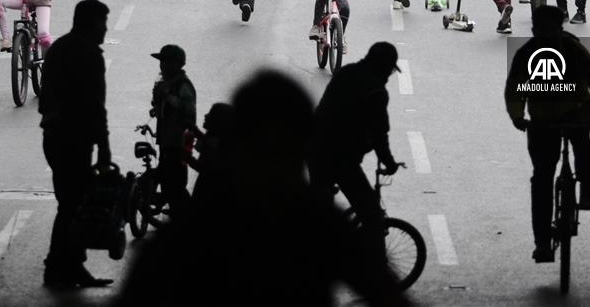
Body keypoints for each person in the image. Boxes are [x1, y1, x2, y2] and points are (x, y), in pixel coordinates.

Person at [114, 70, 409, 307]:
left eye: (284, 154)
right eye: (264, 152)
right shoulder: (320, 229)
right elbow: (383, 293)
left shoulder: (186, 235)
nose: (273, 169)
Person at [504, 5, 590, 263]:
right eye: (541, 31)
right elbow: (514, 88)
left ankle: (586, 184)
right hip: (541, 119)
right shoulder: (526, 55)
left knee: (580, 136)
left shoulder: (574, 50)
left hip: (576, 108)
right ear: (533, 30)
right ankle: (542, 243)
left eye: (551, 31)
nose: (546, 37)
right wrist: (517, 116)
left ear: (559, 30)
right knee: (541, 180)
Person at [38, 0, 113, 287]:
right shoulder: (89, 54)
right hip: (74, 140)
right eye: (104, 23)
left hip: (54, 136)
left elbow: (46, 98)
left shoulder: (59, 47)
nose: (105, 29)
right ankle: (57, 268)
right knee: (71, 206)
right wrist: (104, 150)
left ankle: (70, 265)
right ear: (94, 23)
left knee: (71, 204)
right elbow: (95, 105)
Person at [309, 42, 402, 259]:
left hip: (314, 147)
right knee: (372, 216)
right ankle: (378, 274)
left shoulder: (347, 72)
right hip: (340, 157)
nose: (389, 74)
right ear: (383, 66)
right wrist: (389, 163)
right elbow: (380, 135)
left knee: (320, 209)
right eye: (390, 69)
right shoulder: (376, 91)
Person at [149, 44, 197, 220]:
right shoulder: (167, 83)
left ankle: (186, 212)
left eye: (169, 62)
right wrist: (156, 106)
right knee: (166, 176)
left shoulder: (183, 85)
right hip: (166, 138)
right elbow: (163, 104)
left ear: (179, 64)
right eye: (162, 61)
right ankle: (176, 204)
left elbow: (188, 108)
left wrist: (166, 98)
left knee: (175, 181)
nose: (164, 65)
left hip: (180, 140)